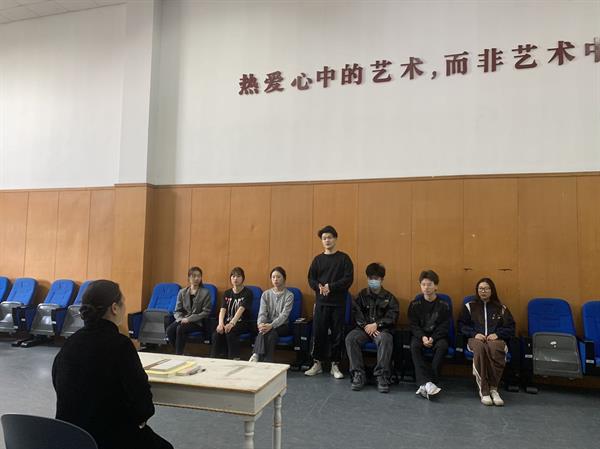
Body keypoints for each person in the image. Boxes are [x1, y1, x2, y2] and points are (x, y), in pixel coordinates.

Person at [52, 280, 173, 449]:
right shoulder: (121, 345)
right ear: (115, 308)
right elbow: (143, 403)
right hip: (108, 437)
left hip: (71, 437)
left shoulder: (69, 343)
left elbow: (59, 384)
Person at [305, 225, 354, 379]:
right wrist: (319, 287)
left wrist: (330, 287)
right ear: (322, 241)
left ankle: (335, 365)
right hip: (321, 303)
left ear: (335, 239)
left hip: (338, 304)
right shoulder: (317, 260)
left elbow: (348, 279)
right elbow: (311, 278)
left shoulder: (344, 258)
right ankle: (317, 364)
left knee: (337, 335)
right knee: (318, 333)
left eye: (330, 237)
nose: (327, 240)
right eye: (324, 238)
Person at [458, 277, 515, 406]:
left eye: (486, 288)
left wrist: (497, 334)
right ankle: (484, 391)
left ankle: (493, 389)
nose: (483, 291)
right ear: (477, 290)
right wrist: (474, 334)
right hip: (475, 339)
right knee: (480, 348)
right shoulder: (469, 306)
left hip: (495, 339)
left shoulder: (501, 308)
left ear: (492, 290)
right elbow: (461, 325)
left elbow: (511, 327)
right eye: (480, 288)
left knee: (494, 349)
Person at [345, 262, 399, 393]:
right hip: (363, 330)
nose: (373, 281)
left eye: (376, 278)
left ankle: (381, 376)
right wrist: (365, 326)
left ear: (382, 279)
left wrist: (377, 325)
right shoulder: (361, 295)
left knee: (386, 339)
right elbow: (356, 313)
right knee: (350, 338)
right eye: (370, 278)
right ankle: (358, 374)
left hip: (381, 330)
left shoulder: (390, 298)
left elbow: (392, 317)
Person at [408, 270, 450, 399]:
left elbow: (445, 325)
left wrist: (433, 338)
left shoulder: (444, 305)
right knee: (414, 346)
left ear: (436, 286)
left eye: (429, 284)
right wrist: (423, 337)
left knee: (442, 346)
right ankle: (428, 384)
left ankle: (426, 383)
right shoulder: (414, 305)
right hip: (420, 336)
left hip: (437, 337)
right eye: (423, 284)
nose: (426, 287)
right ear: (420, 286)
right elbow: (413, 325)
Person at [249, 266, 294, 363]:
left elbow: (284, 316)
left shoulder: (289, 295)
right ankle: (267, 361)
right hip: (267, 325)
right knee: (269, 333)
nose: (275, 279)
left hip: (283, 326)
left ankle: (256, 354)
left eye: (278, 277)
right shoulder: (266, 294)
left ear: (284, 278)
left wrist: (271, 325)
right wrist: (260, 324)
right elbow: (262, 312)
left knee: (270, 331)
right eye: (273, 277)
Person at [166, 266, 212, 355]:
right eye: (194, 276)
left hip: (197, 322)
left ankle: (178, 354)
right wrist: (180, 319)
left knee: (180, 329)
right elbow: (177, 310)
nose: (196, 278)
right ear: (189, 278)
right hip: (183, 320)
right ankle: (180, 353)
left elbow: (206, 312)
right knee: (169, 330)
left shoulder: (205, 293)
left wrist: (189, 319)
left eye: (199, 276)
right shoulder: (182, 292)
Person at [211, 266, 254, 359]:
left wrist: (232, 323)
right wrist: (220, 324)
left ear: (243, 278)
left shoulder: (247, 293)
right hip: (227, 321)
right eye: (233, 276)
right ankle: (214, 359)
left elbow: (241, 309)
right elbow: (222, 309)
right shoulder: (227, 293)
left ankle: (233, 358)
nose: (235, 279)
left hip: (242, 322)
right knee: (216, 334)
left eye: (238, 276)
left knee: (230, 332)